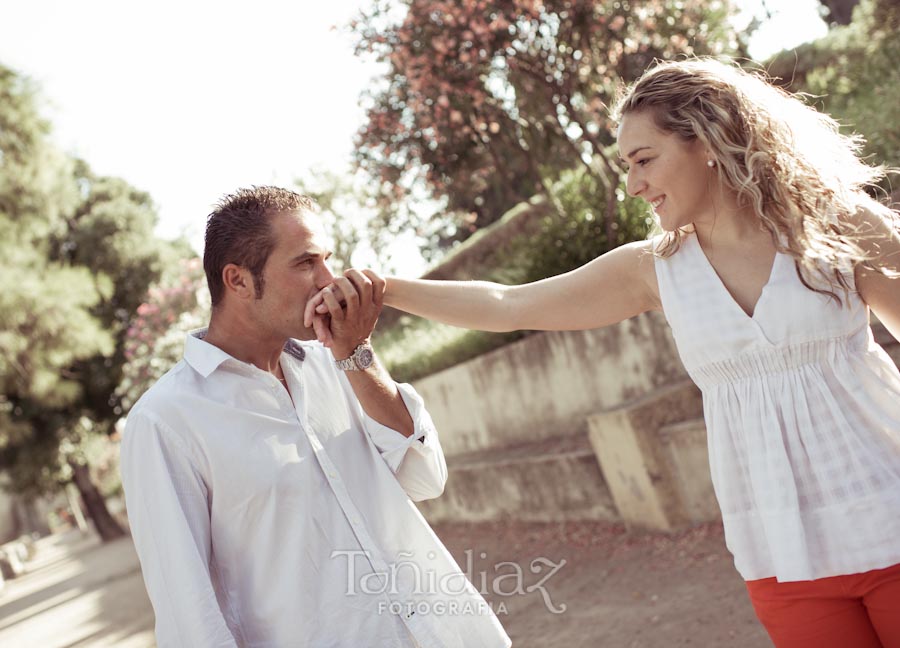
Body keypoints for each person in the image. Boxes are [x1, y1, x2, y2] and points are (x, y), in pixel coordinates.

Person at [307, 59, 900, 647]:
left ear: (711, 140)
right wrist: (379, 290)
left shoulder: (836, 226)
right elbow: (508, 303)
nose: (633, 184)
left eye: (645, 159)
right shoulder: (656, 269)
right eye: (626, 166)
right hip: (781, 554)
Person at [120, 187, 511, 648]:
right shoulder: (165, 421)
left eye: (328, 259)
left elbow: (424, 477)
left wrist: (355, 353)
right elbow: (188, 614)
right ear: (239, 280)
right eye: (306, 263)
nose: (329, 279)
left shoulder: (338, 360)